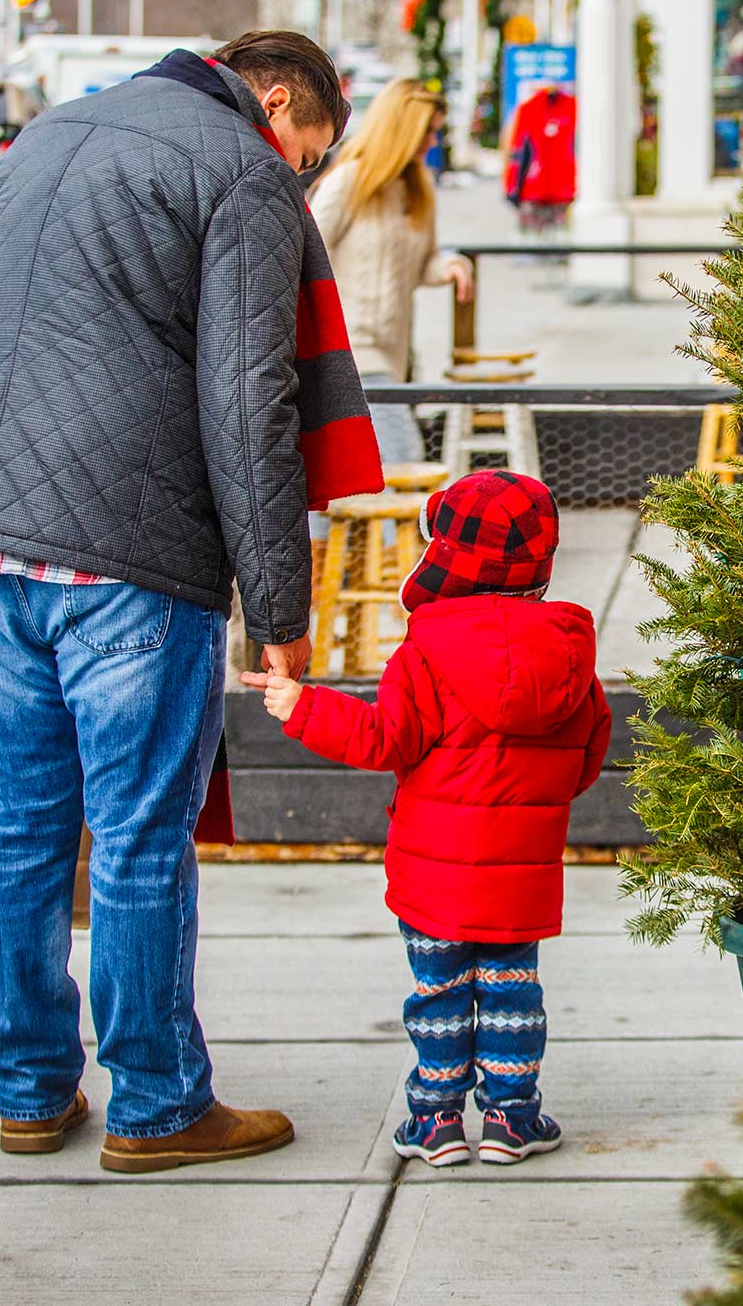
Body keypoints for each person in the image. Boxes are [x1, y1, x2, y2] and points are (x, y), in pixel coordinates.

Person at [0, 31, 380, 1172]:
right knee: (136, 835)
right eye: (313, 154)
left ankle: (29, 1091)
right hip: (130, 553)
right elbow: (250, 403)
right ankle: (156, 1102)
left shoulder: (39, 138)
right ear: (274, 103)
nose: (309, 179)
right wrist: (282, 606)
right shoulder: (240, 172)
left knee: (17, 825)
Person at [244, 471, 612, 1167]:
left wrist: (303, 706)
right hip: (521, 875)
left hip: (432, 875)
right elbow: (587, 757)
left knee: (439, 992)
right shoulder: (569, 656)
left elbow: (383, 738)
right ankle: (512, 1117)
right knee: (512, 994)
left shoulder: (427, 651)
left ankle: (436, 1120)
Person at [307, 79, 474, 465]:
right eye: (428, 131)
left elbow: (423, 262)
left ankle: (330, 528)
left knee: (362, 467)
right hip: (351, 350)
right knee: (401, 454)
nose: (433, 141)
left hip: (393, 354)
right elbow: (305, 255)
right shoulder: (349, 183)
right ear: (402, 127)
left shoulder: (418, 189)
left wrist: (450, 264)